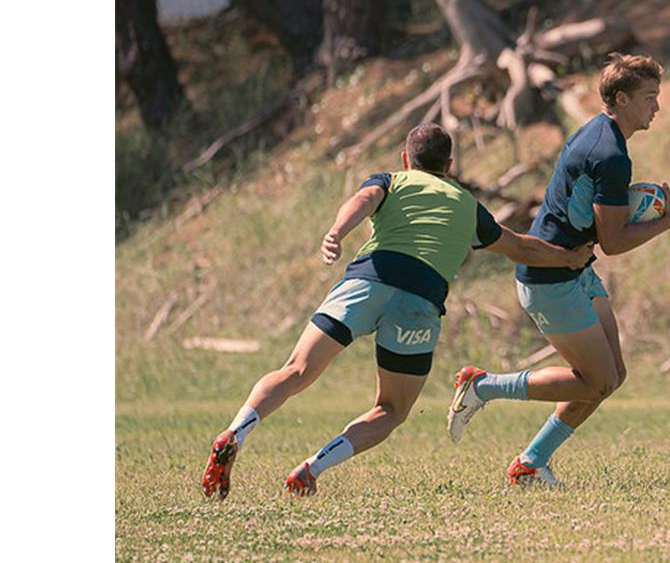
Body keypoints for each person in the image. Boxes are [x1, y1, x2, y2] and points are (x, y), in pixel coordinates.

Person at [199, 123, 593, 499]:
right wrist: (569, 259)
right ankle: (311, 470)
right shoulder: (467, 204)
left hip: (364, 282)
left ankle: (236, 431)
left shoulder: (390, 180)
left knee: (295, 370)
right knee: (390, 409)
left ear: (406, 159)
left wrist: (337, 233)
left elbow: (362, 200)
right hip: (418, 300)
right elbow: (522, 247)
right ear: (450, 167)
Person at [446, 53, 670, 487]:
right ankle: (484, 386)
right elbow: (613, 242)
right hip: (550, 278)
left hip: (574, 268)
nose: (656, 107)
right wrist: (665, 222)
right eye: (649, 98)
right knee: (597, 379)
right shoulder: (610, 154)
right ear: (622, 99)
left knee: (611, 377)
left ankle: (532, 462)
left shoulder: (597, 131)